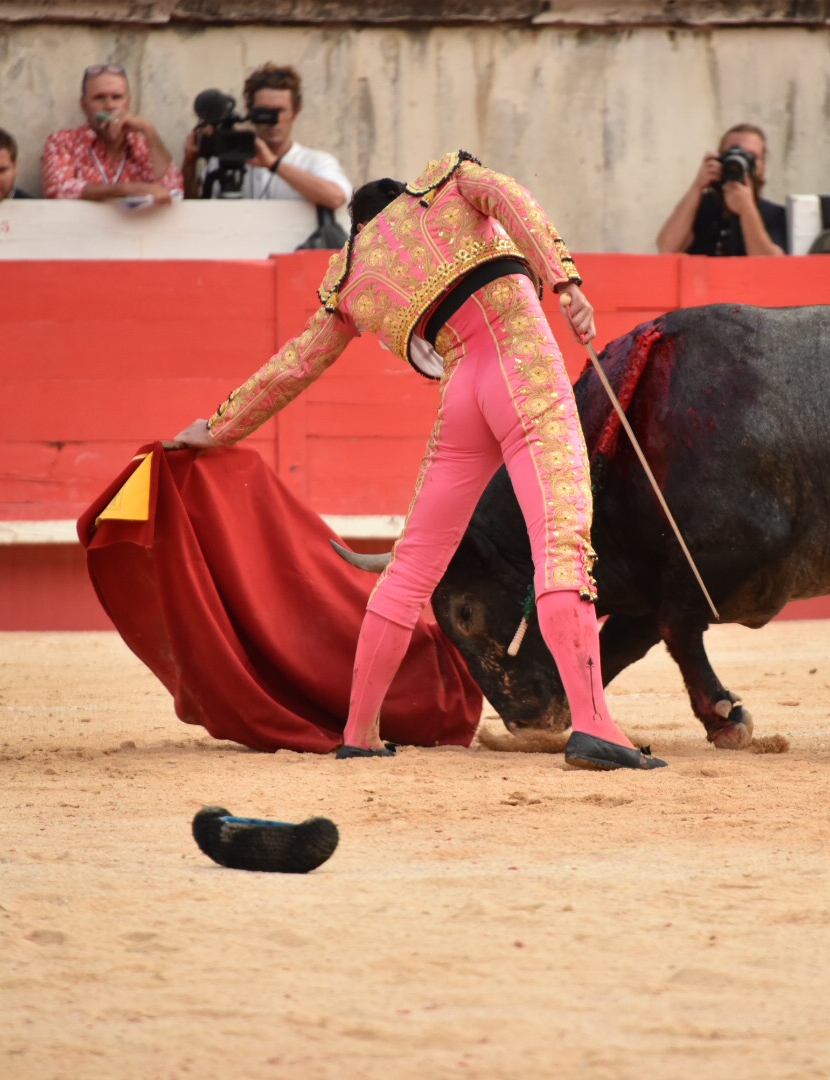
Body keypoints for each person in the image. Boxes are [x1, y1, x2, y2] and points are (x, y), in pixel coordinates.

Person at [173, 150, 665, 771]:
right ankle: (594, 726)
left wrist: (217, 429)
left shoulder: (352, 276)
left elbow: (294, 366)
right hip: (523, 363)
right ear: (403, 197)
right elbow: (512, 199)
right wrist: (563, 280)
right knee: (561, 545)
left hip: (463, 396)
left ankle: (359, 730)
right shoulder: (446, 184)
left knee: (409, 571)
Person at [182, 63, 351, 216]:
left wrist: (273, 164)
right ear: (250, 111)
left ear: (295, 112)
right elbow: (193, 210)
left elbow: (336, 197)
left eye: (280, 111)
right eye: (264, 112)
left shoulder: (315, 161)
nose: (273, 121)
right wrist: (190, 163)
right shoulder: (228, 157)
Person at [42, 63, 183, 204]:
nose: (109, 106)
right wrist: (125, 189)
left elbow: (173, 190)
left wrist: (149, 131)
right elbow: (59, 189)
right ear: (84, 105)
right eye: (99, 98)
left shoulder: (143, 145)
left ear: (127, 103)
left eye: (116, 97)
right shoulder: (64, 141)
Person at [655, 123, 786, 256]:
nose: (742, 162)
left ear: (763, 165)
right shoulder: (699, 207)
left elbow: (770, 266)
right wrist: (697, 186)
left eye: (751, 156)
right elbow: (667, 249)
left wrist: (747, 210)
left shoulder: (775, 215)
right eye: (734, 152)